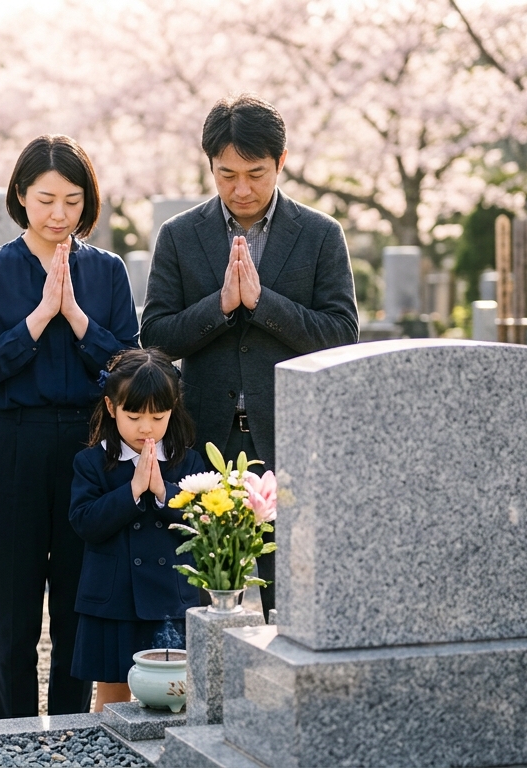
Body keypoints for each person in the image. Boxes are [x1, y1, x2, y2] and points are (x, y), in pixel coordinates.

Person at [140, 95, 358, 617]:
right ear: (210, 166)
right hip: (206, 436)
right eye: (226, 174)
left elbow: (343, 336)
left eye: (256, 174)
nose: (241, 189)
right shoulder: (179, 235)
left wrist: (263, 304)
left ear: (281, 162)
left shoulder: (321, 235)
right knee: (208, 589)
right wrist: (220, 306)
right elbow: (155, 337)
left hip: (291, 433)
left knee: (296, 595)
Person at [0, 135, 139, 718]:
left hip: (90, 449)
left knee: (75, 601)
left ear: (88, 201)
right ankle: (13, 734)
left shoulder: (107, 271)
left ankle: (69, 728)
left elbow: (129, 368)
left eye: (71, 200)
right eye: (45, 200)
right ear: (20, 196)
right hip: (15, 442)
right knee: (13, 606)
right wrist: (39, 317)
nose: (59, 214)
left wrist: (78, 318)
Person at [67, 348, 206, 710]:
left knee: (174, 689)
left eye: (158, 417)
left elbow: (204, 522)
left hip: (170, 598)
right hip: (114, 599)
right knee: (112, 695)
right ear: (111, 408)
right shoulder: (90, 461)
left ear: (173, 410)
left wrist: (163, 492)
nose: (146, 427)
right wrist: (131, 491)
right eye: (134, 416)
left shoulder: (188, 460)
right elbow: (84, 522)